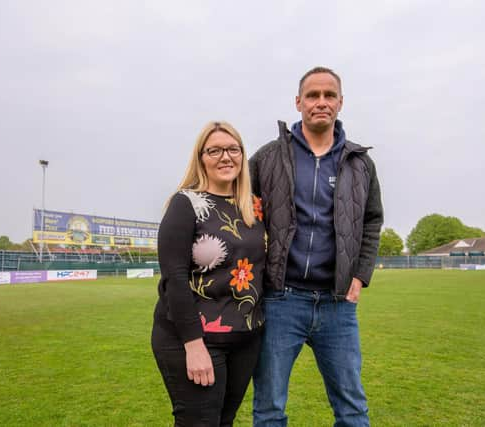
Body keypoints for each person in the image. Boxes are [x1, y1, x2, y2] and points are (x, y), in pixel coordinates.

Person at [249, 67, 384, 426]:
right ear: (298, 102)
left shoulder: (360, 164)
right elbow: (242, 214)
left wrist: (361, 275)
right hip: (280, 301)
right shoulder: (267, 158)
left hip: (337, 304)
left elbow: (372, 221)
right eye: (312, 95)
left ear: (340, 102)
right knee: (268, 408)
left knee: (352, 409)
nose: (320, 102)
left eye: (329, 95)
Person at [152, 121, 266, 426]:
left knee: (224, 422)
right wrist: (193, 345)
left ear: (242, 155)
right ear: (201, 157)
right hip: (195, 339)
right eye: (214, 150)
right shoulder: (185, 204)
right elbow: (173, 279)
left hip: (245, 339)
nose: (225, 157)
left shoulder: (254, 207)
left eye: (233, 149)